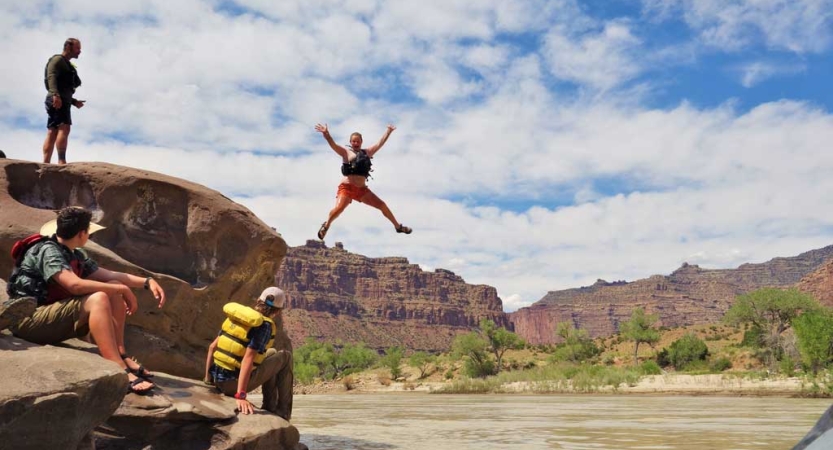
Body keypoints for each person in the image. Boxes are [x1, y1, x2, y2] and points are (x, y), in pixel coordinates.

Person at [7, 206, 165, 395]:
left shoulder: (73, 253)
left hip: (49, 317)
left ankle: (121, 354)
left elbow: (110, 275)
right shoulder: (48, 251)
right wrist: (122, 289)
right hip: (28, 321)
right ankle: (117, 368)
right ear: (82, 233)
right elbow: (74, 285)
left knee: (112, 285)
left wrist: (147, 282)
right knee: (98, 298)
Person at [205, 287, 294, 420]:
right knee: (285, 357)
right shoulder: (264, 326)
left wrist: (208, 381)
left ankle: (269, 406)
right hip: (232, 385)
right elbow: (248, 358)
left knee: (272, 352)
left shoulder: (240, 317)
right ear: (278, 311)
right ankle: (284, 412)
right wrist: (241, 396)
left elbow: (212, 347)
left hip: (218, 380)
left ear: (259, 300)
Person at [314, 123, 413, 240]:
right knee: (339, 209)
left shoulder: (367, 152)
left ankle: (398, 227)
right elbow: (333, 145)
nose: (355, 143)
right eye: (353, 141)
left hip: (361, 190)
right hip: (347, 187)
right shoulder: (346, 152)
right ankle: (326, 225)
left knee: (382, 205)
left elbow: (379, 144)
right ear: (350, 142)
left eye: (358, 141)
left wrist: (388, 131)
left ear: (361, 142)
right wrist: (327, 134)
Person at [43, 38, 85, 165]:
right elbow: (51, 76)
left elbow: (64, 87)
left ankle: (46, 163)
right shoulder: (57, 60)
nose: (80, 51)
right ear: (68, 47)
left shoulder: (67, 64)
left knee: (53, 130)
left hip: (60, 99)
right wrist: (55, 95)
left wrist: (73, 101)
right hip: (57, 99)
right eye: (77, 48)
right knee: (64, 127)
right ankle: (61, 161)